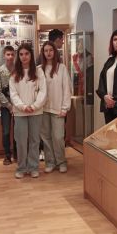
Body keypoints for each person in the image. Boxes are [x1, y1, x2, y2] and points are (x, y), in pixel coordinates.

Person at [9, 44, 46, 179]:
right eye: (21, 54)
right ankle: (21, 168)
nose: (24, 57)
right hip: (20, 113)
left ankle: (33, 167)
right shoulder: (14, 74)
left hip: (36, 112)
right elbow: (13, 94)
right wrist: (23, 107)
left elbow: (43, 91)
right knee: (21, 141)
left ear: (31, 55)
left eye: (27, 54)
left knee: (35, 141)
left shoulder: (38, 72)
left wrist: (34, 106)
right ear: (18, 56)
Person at [40, 41, 71, 173]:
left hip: (58, 109)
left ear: (55, 52)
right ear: (43, 53)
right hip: (43, 109)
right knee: (46, 137)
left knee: (58, 137)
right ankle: (50, 162)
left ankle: (61, 161)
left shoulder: (61, 68)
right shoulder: (39, 69)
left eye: (51, 50)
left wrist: (65, 108)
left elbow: (67, 88)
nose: (48, 53)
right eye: (46, 50)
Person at [0, 45, 17, 165]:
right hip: (5, 106)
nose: (10, 57)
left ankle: (17, 153)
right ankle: (7, 155)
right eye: (8, 54)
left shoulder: (18, 70)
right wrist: (9, 106)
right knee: (6, 132)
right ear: (4, 55)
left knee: (18, 131)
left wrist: (16, 105)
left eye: (12, 54)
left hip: (18, 105)